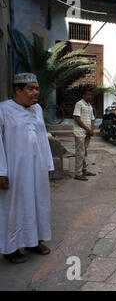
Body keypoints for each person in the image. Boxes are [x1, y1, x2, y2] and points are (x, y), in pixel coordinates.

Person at [0, 73, 54, 263]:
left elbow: (42, 137)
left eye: (36, 88)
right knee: (15, 207)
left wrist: (48, 163)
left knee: (37, 203)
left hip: (37, 167)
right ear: (17, 90)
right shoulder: (4, 109)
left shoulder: (37, 109)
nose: (36, 92)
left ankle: (33, 241)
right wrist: (2, 171)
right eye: (31, 88)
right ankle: (11, 249)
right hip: (16, 168)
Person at [73, 87, 96, 181]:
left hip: (87, 133)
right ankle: (78, 173)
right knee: (80, 152)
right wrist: (87, 129)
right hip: (80, 132)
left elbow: (92, 119)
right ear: (83, 95)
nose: (90, 96)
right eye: (88, 94)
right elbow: (77, 118)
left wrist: (92, 129)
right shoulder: (79, 104)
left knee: (84, 152)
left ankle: (84, 170)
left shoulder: (90, 106)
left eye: (91, 95)